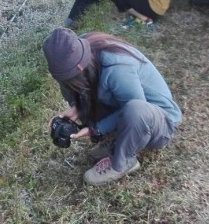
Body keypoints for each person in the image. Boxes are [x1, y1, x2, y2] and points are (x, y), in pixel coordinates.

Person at [43, 28, 181, 185]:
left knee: (135, 110)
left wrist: (96, 128)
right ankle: (116, 140)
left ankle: (123, 162)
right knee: (77, 89)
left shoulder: (118, 66)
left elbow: (135, 107)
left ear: (80, 67)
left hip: (159, 122)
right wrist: (77, 108)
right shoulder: (81, 52)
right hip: (127, 109)